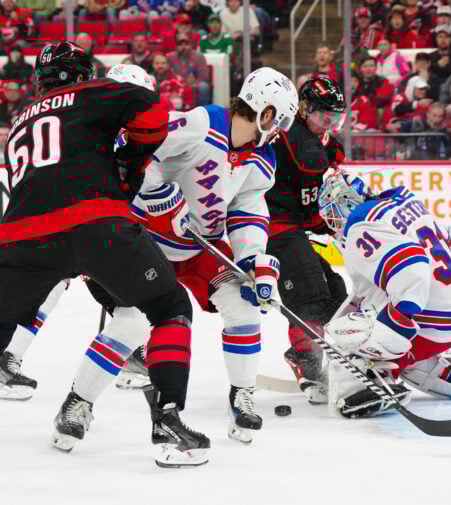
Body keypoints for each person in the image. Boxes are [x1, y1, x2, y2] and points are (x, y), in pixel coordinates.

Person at [0, 43, 207, 467]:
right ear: (83, 74)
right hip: (96, 227)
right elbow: (150, 107)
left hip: (21, 238)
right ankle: (167, 421)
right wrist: (134, 154)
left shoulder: (19, 120)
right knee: (169, 306)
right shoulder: (94, 92)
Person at [76, 66, 300, 446]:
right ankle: (78, 403)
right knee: (130, 323)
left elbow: (247, 209)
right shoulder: (202, 123)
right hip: (149, 243)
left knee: (243, 309)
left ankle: (242, 395)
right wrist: (163, 199)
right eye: (279, 120)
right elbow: (138, 152)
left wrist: (253, 261)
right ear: (265, 112)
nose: (279, 130)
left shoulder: (263, 159)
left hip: (199, 249)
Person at [317, 171, 451, 418]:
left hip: (429, 318)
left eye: (332, 212)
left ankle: (366, 386)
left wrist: (397, 322)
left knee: (349, 337)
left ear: (346, 202)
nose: (332, 221)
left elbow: (412, 266)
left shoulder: (361, 225)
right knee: (409, 361)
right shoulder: (402, 204)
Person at [266, 77, 349, 403]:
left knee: (336, 292)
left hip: (294, 228)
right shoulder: (288, 135)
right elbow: (309, 167)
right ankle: (305, 359)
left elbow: (312, 198)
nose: (329, 124)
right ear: (304, 109)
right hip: (272, 227)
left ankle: (332, 359)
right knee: (309, 292)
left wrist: (331, 221)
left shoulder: (321, 141)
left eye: (335, 118)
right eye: (323, 116)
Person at [167, 32, 211, 107]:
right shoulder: (171, 58)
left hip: (194, 84)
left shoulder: (199, 56)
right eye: (180, 45)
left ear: (190, 45)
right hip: (177, 84)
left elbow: (204, 76)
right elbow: (168, 74)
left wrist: (194, 82)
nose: (184, 47)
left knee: (204, 86)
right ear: (176, 47)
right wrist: (179, 83)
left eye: (186, 44)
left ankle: (203, 110)